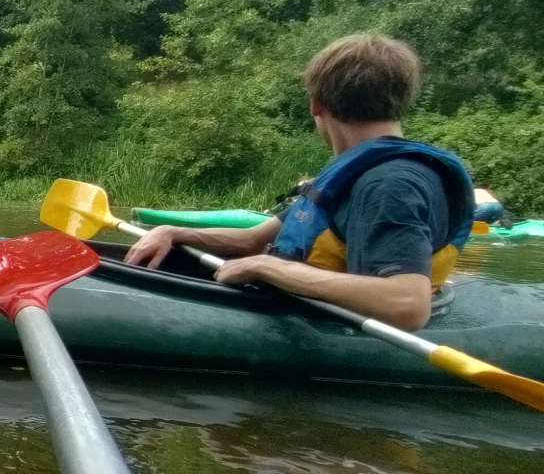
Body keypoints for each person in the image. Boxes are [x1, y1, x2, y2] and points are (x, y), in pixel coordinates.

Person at [125, 33, 474, 331]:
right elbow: (252, 241)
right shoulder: (354, 171)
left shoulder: (388, 184)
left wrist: (266, 266)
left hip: (338, 332)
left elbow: (407, 305)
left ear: (316, 105)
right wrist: (173, 232)